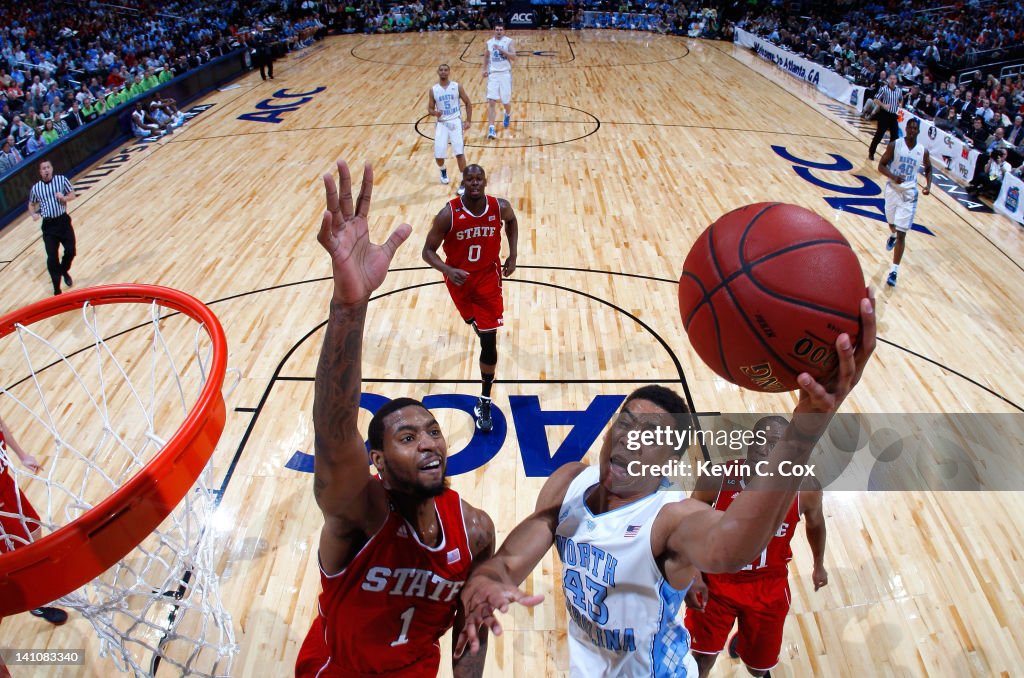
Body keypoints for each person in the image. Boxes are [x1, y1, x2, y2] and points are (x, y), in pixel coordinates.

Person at [455, 299, 875, 677]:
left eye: (649, 436)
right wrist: (487, 578)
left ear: (670, 462)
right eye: (625, 424)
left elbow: (732, 546)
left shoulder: (670, 518)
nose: (628, 438)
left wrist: (804, 431)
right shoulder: (567, 481)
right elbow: (510, 561)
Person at [293, 159, 495, 678]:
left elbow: (470, 632)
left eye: (432, 431)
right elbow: (334, 431)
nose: (429, 442)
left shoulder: (474, 530)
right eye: (408, 436)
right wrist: (348, 307)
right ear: (377, 460)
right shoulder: (357, 513)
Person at [683, 416, 827, 678]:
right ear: (749, 445)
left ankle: (748, 641)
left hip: (767, 589)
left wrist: (819, 564)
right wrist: (692, 576)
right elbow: (688, 528)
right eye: (760, 442)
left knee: (758, 670)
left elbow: (816, 525)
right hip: (716, 584)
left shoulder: (805, 489)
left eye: (776, 445)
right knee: (701, 661)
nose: (766, 451)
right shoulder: (717, 478)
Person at [421, 164, 519, 433]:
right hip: (459, 280)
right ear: (463, 182)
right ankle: (476, 321)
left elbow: (512, 221)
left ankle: (484, 400)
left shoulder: (499, 207)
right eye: (469, 179)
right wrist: (448, 270)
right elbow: (427, 251)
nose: (474, 183)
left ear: (485, 181)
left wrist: (513, 254)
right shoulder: (448, 214)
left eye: (479, 179)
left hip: (488, 278)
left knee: (488, 340)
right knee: (472, 322)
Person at [0, 415, 68, 625]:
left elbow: (1, 422)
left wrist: (22, 455)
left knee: (34, 528)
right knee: (20, 555)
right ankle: (36, 603)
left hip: (6, 486)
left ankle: (39, 580)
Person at [878, 117, 931, 288]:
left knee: (902, 233)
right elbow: (881, 165)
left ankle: (894, 271)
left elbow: (929, 168)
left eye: (915, 128)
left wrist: (928, 185)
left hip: (909, 193)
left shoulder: (922, 151)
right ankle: (892, 234)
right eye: (910, 127)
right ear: (906, 128)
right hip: (892, 189)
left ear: (918, 131)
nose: (912, 130)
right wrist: (893, 176)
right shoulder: (895, 145)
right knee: (892, 223)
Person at [28, 160, 77, 296]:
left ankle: (63, 270)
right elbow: (31, 204)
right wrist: (33, 214)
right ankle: (57, 288)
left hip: (63, 222)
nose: (46, 170)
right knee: (52, 257)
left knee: (71, 250)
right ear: (40, 171)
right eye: (43, 168)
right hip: (49, 226)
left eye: (48, 167)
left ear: (52, 168)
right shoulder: (36, 188)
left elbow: (72, 195)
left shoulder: (61, 180)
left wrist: (64, 198)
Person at [429, 63, 472, 194]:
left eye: (445, 70)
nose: (443, 72)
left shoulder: (456, 86)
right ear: (438, 72)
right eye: (441, 70)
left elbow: (468, 103)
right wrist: (434, 113)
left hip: (455, 122)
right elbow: (430, 108)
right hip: (442, 123)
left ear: (449, 72)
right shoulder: (433, 89)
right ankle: (442, 170)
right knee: (438, 155)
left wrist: (468, 120)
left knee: (459, 152)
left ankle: (463, 182)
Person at [481, 22, 515, 140]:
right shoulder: (489, 43)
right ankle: (491, 128)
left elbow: (514, 57)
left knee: (506, 101)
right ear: (494, 30)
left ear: (504, 31)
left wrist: (502, 50)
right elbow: (486, 56)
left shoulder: (508, 41)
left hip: (505, 74)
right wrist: (484, 69)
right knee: (491, 101)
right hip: (493, 74)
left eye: (501, 29)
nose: (499, 31)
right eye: (497, 29)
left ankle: (507, 114)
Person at [868, 74, 903, 161]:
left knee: (895, 137)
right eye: (891, 78)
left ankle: (889, 155)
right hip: (884, 114)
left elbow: (901, 99)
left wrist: (901, 103)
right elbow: (875, 99)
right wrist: (883, 105)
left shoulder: (899, 90)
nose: (892, 80)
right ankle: (871, 152)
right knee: (879, 134)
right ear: (888, 80)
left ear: (896, 81)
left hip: (893, 115)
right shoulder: (883, 89)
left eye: (894, 79)